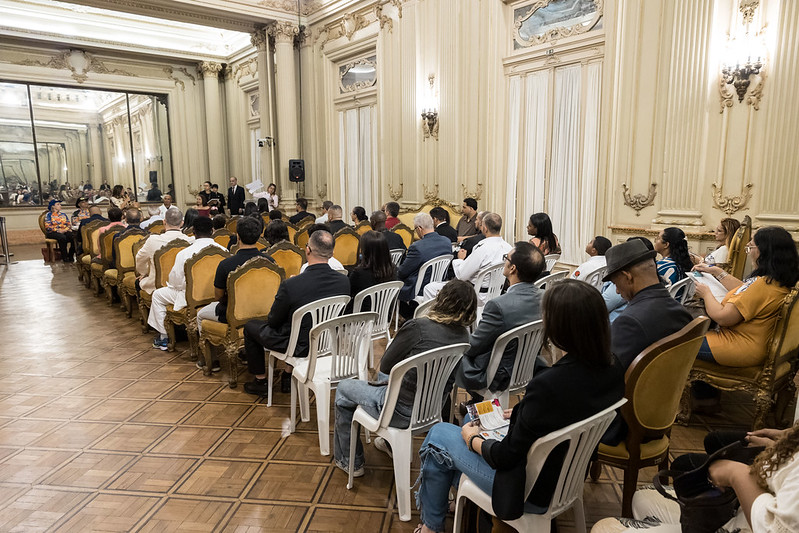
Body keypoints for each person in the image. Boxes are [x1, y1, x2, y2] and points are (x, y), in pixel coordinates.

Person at [414, 280, 625, 533]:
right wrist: (525, 413)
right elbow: (575, 407)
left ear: (560, 327)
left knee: (440, 435)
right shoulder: (613, 367)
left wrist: (473, 440)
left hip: (527, 489)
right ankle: (461, 502)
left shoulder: (549, 385)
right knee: (465, 428)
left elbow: (505, 457)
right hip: (566, 477)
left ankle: (430, 526)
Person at [333, 280, 477, 477]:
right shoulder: (463, 337)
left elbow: (385, 364)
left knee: (343, 388)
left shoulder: (419, 327)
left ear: (441, 299)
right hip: (431, 409)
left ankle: (350, 461)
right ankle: (387, 442)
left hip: (398, 411)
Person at [591, 422, 799, 533]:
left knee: (604, 529)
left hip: (750, 524)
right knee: (644, 498)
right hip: (743, 514)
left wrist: (737, 475)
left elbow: (778, 529)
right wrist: (788, 439)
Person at [242, 229, 350, 396]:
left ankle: (260, 380)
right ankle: (287, 375)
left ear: (307, 250)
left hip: (297, 346)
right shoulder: (344, 281)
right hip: (326, 341)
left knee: (250, 327)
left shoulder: (291, 284)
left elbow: (273, 321)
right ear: (332, 253)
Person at [693, 226, 799, 367]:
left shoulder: (762, 285)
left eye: (750, 247)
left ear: (764, 252)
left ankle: (698, 387)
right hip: (752, 344)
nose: (748, 252)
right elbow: (744, 289)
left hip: (735, 346)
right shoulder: (777, 281)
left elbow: (723, 317)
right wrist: (717, 272)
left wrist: (705, 293)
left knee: (674, 342)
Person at [456, 242, 546, 395]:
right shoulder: (546, 298)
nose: (504, 261)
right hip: (529, 368)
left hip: (497, 375)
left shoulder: (498, 306)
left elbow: (474, 346)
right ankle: (476, 406)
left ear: (513, 268)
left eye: (506, 258)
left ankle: (455, 412)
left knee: (450, 355)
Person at [195, 216, 273, 372]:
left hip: (233, 314)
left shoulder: (226, 264)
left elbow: (218, 296)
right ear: (259, 236)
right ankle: (245, 352)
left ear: (237, 236)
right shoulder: (270, 261)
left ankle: (211, 361)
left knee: (200, 315)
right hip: (263, 312)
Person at [604, 239, 692, 371]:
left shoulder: (629, 322)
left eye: (616, 283)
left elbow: (608, 374)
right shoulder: (679, 310)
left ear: (627, 276)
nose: (617, 290)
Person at [148, 217, 224, 350]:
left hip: (190, 296)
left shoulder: (184, 253)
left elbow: (175, 281)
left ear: (193, 232)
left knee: (157, 295)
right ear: (212, 231)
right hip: (216, 295)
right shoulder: (224, 251)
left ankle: (164, 337)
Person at [421, 213, 511, 303]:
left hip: (475, 295)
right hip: (497, 293)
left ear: (485, 228)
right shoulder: (508, 248)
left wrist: (460, 259)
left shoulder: (483, 248)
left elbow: (462, 275)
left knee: (429, 288)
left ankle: (440, 316)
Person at [397, 213, 453, 313]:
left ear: (419, 228)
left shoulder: (417, 247)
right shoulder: (447, 242)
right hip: (439, 285)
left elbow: (402, 272)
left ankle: (400, 317)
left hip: (419, 289)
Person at [135, 208, 192, 296]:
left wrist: (145, 273)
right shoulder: (190, 241)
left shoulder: (153, 240)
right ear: (182, 223)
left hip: (156, 285)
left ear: (164, 222)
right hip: (182, 285)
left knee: (137, 282)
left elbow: (139, 259)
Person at [347, 230, 397, 312]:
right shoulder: (393, 269)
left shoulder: (359, 273)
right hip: (384, 315)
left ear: (365, 250)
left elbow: (349, 294)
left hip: (361, 319)